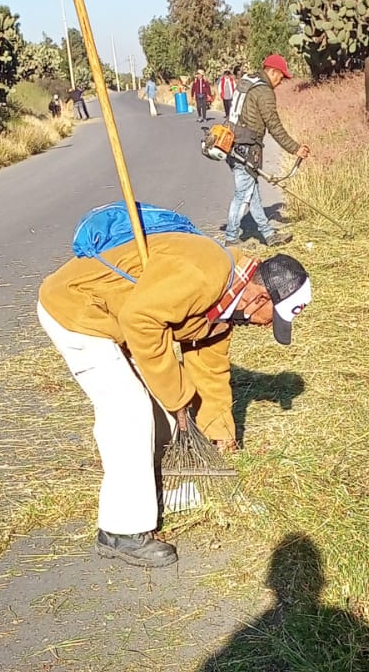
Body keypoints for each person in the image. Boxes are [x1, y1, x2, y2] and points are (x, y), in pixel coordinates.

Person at [37, 236, 312, 568]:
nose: (267, 325)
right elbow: (141, 321)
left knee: (164, 417)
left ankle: (150, 491)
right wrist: (179, 397)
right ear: (259, 296)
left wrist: (221, 434)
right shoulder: (204, 273)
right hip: (79, 311)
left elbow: (211, 372)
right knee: (130, 412)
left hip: (122, 322)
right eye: (272, 317)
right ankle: (120, 532)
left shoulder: (226, 309)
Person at [224, 53, 310, 248]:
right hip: (246, 146)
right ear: (272, 71)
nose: (280, 82)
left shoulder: (247, 81)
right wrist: (294, 148)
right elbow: (274, 125)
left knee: (251, 192)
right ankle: (231, 238)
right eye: (280, 77)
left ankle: (268, 234)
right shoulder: (264, 91)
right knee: (242, 194)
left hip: (231, 142)